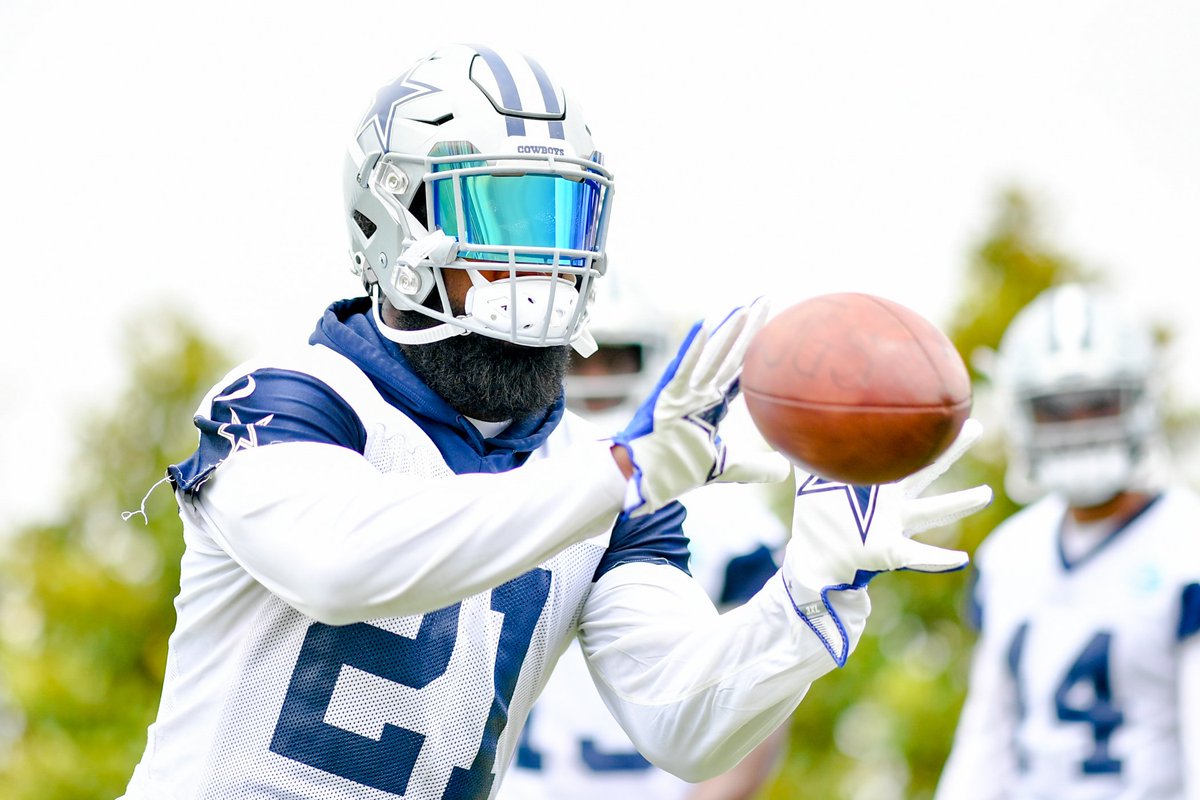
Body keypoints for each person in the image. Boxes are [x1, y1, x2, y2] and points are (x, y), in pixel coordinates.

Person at [118, 43, 991, 800]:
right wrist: (617, 473)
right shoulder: (290, 398)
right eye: (498, 217)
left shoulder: (599, 469)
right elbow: (344, 564)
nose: (537, 261)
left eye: (558, 217)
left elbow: (681, 724)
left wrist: (807, 595)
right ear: (393, 219)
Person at [500, 280, 790, 799]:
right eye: (577, 359)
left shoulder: (721, 505)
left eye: (611, 359)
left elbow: (758, 681)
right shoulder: (502, 475)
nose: (592, 376)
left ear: (648, 359)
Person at [934, 283, 1200, 799]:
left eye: (1097, 404)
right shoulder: (1010, 553)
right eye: (1055, 410)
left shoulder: (1187, 546)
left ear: (1138, 400)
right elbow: (985, 742)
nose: (1077, 426)